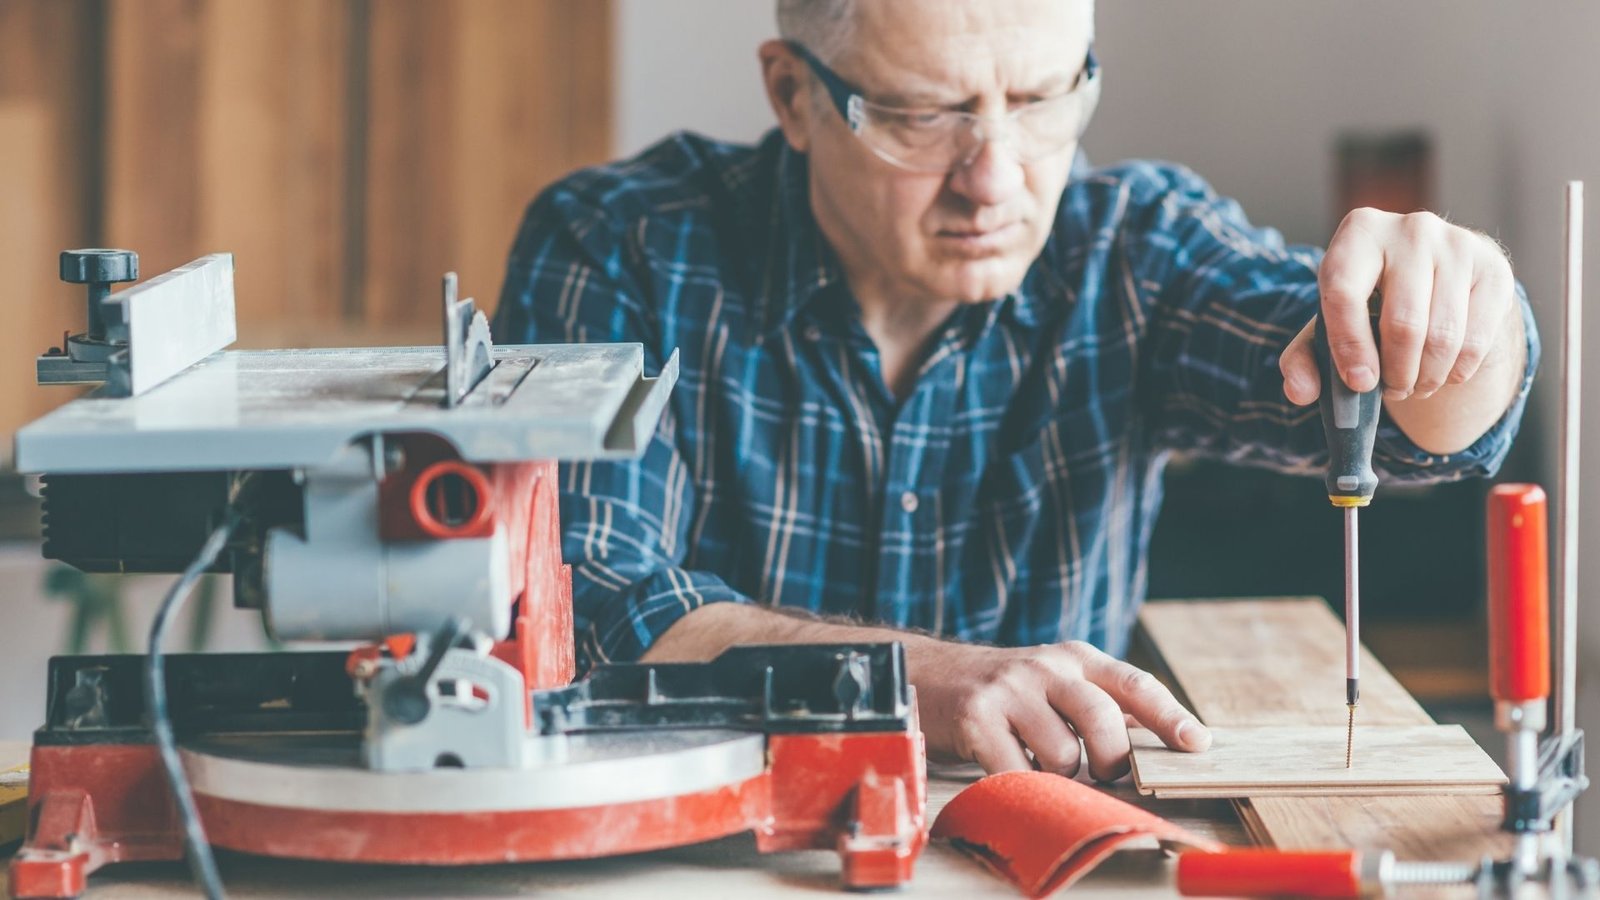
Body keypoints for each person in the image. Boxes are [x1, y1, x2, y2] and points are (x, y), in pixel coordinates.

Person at [492, 0, 1535, 781]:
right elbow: (584, 603)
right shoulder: (618, 248)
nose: (995, 179)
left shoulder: (1133, 251)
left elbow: (1411, 426)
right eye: (922, 115)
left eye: (1041, 102)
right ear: (792, 95)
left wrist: (1453, 317)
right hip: (701, 856)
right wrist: (913, 678)